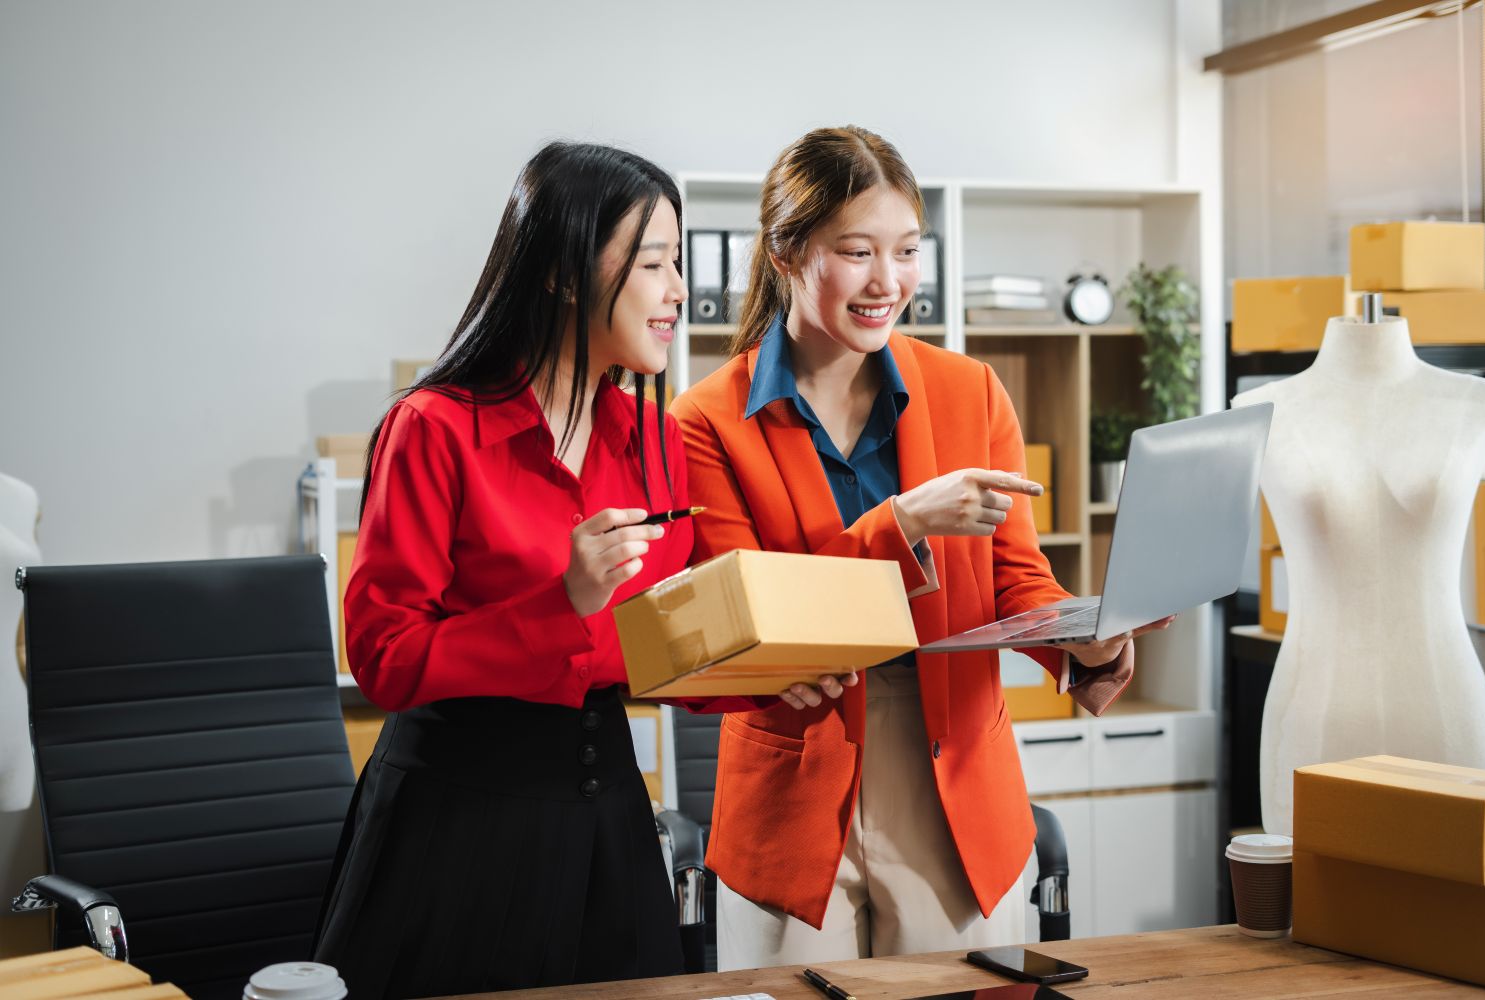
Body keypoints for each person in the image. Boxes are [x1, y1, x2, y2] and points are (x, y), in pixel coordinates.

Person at [669, 125, 1170, 968]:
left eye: (907, 251)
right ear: (787, 252)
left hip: (955, 774)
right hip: (792, 792)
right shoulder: (704, 422)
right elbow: (745, 618)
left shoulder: (969, 390)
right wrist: (901, 524)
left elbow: (1017, 582)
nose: (887, 282)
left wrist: (1083, 639)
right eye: (857, 251)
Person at [313, 141, 707, 998]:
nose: (679, 289)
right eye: (653, 264)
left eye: (678, 263)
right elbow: (383, 657)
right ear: (565, 274)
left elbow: (660, 640)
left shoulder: (655, 439)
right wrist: (563, 602)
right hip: (459, 824)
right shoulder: (433, 428)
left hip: (610, 821)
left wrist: (769, 677)